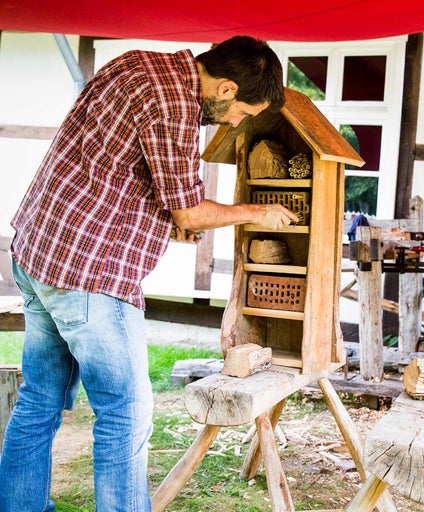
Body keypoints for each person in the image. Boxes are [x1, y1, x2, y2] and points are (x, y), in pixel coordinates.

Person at [0, 36, 298, 511]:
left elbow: (110, 164)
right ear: (224, 87)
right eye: (242, 110)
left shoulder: (138, 65)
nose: (237, 121)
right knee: (126, 413)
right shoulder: (174, 105)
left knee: (38, 400)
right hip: (88, 273)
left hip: (40, 250)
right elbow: (189, 211)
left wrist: (169, 218)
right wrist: (255, 213)